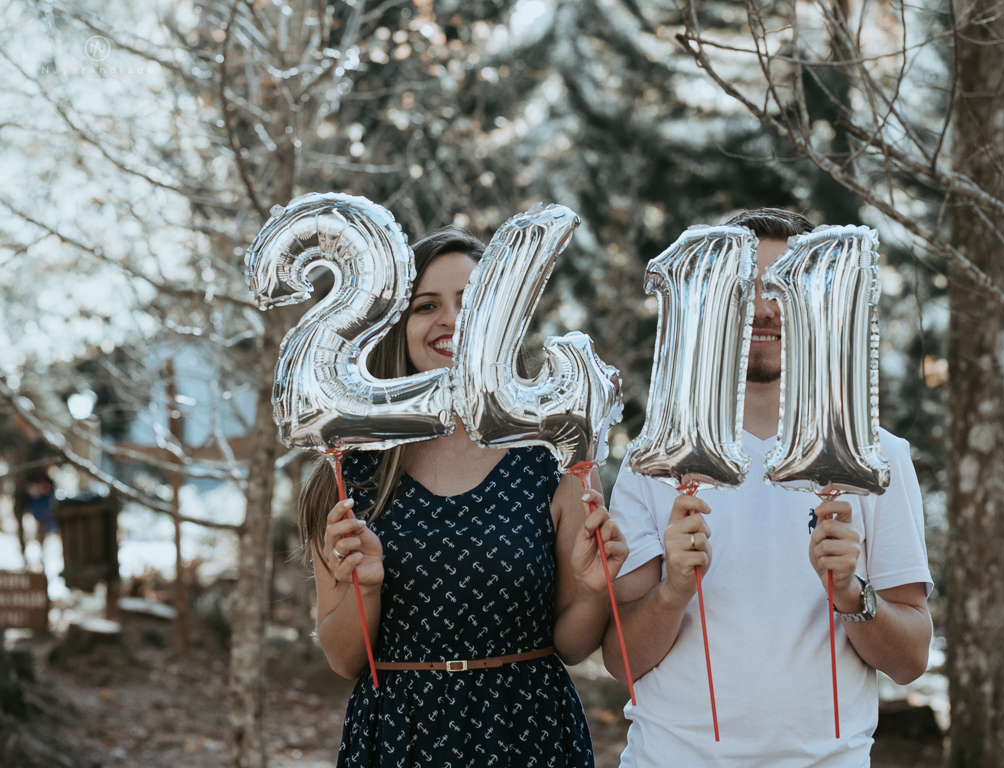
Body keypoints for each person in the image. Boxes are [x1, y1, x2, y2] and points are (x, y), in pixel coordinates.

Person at [601, 208, 933, 766]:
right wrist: (673, 592)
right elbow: (620, 661)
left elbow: (910, 660)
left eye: (782, 289)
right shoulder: (653, 458)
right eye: (743, 289)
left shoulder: (878, 457)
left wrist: (853, 596)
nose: (762, 308)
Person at [296, 226, 628, 768]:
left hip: (528, 731)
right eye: (427, 305)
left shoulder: (552, 457)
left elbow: (571, 645)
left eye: (471, 301)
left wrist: (594, 592)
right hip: (400, 736)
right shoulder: (349, 471)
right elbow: (342, 657)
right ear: (397, 325)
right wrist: (369, 588)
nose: (451, 320)